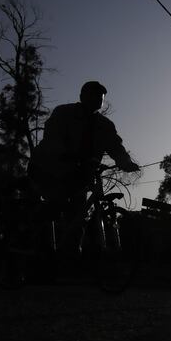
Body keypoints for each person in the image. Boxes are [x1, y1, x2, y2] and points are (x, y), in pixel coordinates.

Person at [28, 80, 140, 253]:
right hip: (47, 168)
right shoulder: (64, 113)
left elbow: (115, 146)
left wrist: (126, 163)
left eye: (100, 98)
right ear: (82, 96)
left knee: (79, 216)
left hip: (78, 177)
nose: (97, 100)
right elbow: (52, 139)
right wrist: (68, 155)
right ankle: (30, 240)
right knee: (54, 205)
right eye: (93, 95)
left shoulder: (105, 125)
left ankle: (69, 258)